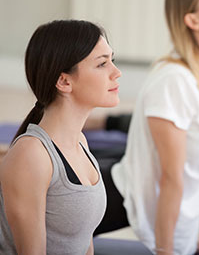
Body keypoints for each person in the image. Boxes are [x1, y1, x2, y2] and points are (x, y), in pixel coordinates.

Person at [94, 0, 199, 255]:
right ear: (193, 19)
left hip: (150, 207)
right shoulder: (174, 80)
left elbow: (194, 178)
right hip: (104, 201)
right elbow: (171, 179)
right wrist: (167, 251)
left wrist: (188, 245)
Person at [0, 20, 121, 254]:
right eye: (102, 64)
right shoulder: (32, 155)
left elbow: (85, 241)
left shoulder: (80, 143)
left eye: (112, 61)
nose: (116, 72)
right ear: (64, 81)